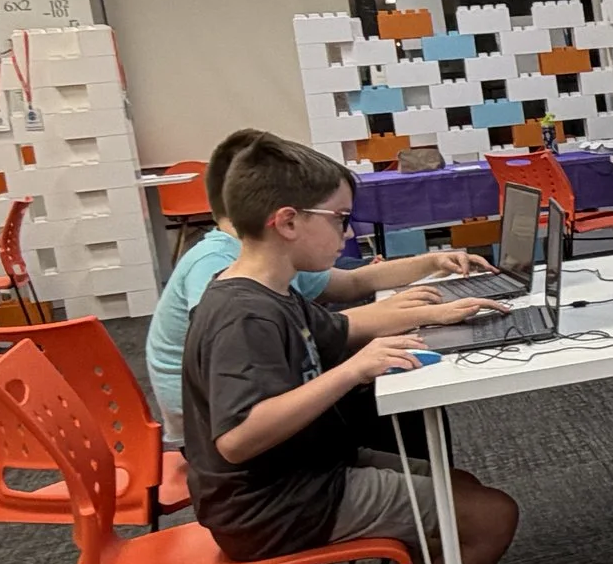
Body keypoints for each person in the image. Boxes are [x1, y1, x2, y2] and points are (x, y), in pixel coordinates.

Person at [182, 136, 520, 564]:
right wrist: (350, 373)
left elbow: (341, 328)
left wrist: (435, 314)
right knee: (491, 516)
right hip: (276, 503)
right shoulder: (245, 315)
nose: (348, 233)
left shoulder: (270, 292)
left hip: (302, 475)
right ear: (287, 222)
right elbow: (237, 438)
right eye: (339, 219)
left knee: (460, 487)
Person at [146, 127, 500, 442]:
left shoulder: (271, 260)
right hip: (212, 418)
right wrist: (414, 315)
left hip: (258, 398)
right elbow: (234, 370)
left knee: (393, 393)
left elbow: (351, 286)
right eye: (340, 219)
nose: (348, 232)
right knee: (390, 407)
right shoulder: (222, 272)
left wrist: (431, 265)